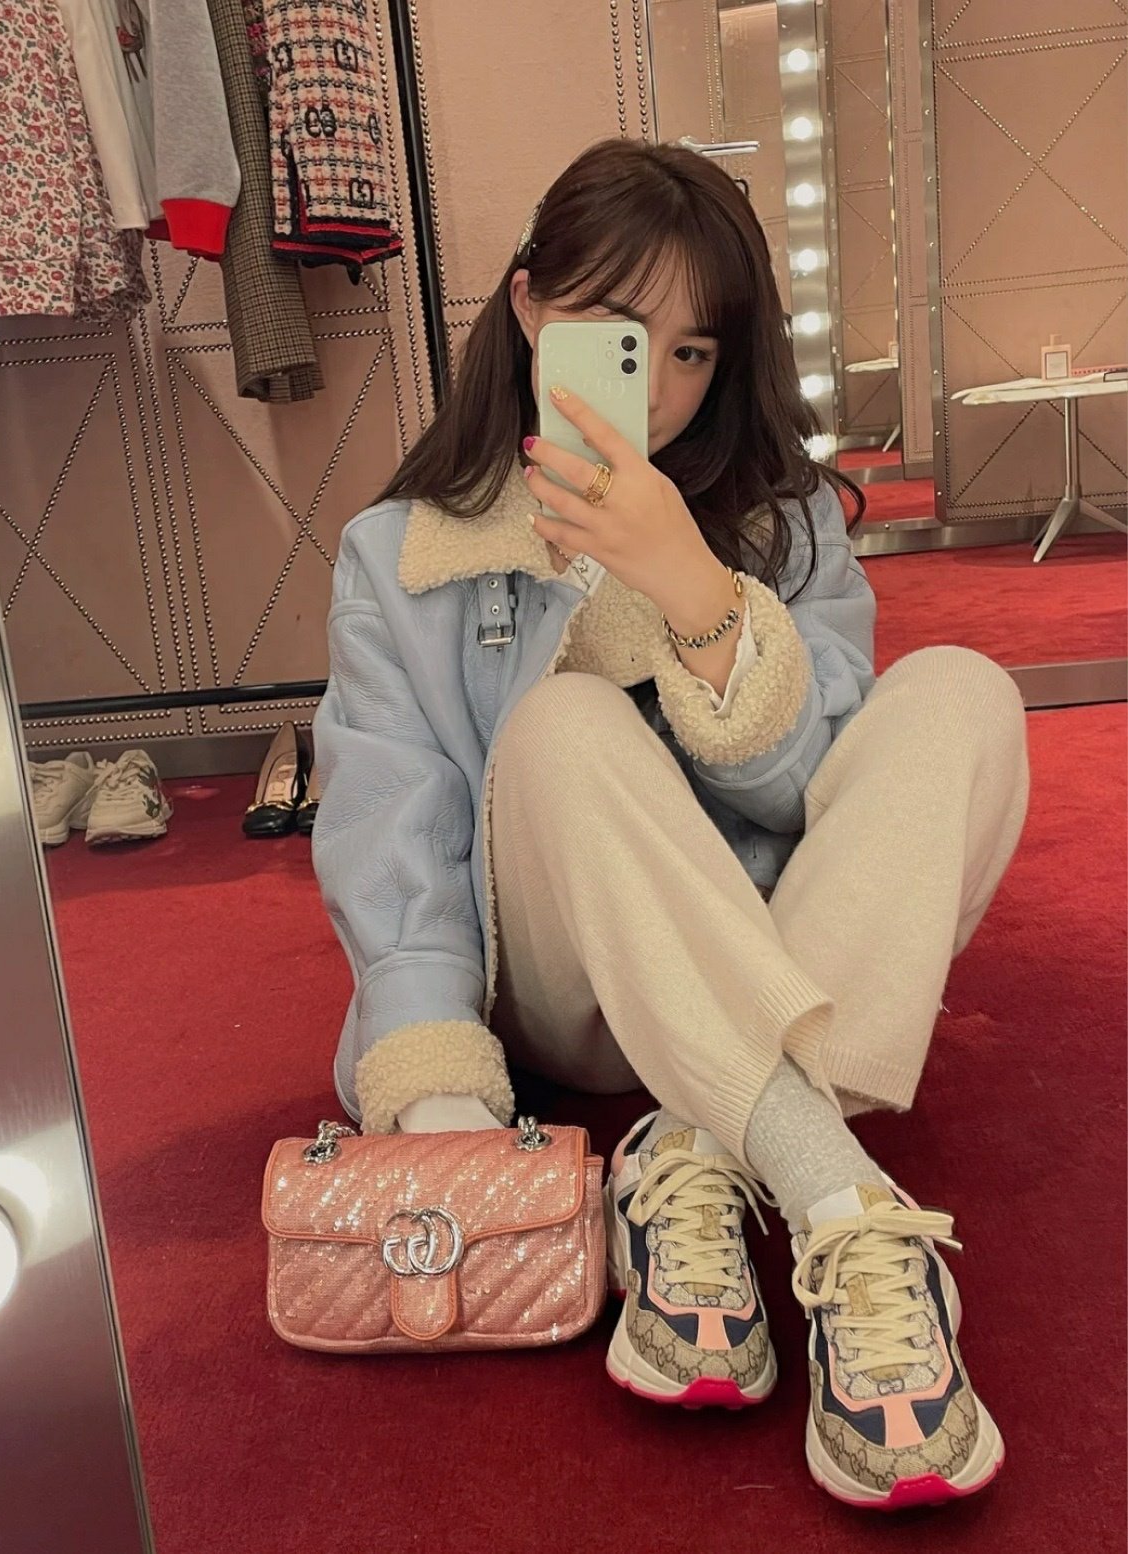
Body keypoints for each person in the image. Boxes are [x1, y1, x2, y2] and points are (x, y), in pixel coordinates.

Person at [311, 138, 1029, 1510]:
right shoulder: (399, 555)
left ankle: (697, 1150)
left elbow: (824, 799)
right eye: (615, 333)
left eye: (691, 351)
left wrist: (697, 596)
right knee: (563, 727)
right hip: (573, 996)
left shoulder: (782, 520)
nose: (655, 388)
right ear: (529, 304)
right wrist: (440, 1087)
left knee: (962, 695)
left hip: (780, 952)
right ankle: (832, 1190)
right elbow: (390, 823)